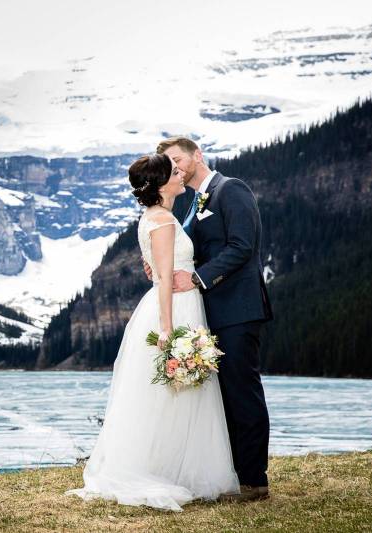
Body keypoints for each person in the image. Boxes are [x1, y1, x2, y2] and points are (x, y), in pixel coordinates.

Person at [64, 153, 239, 512]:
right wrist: (167, 329)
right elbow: (163, 281)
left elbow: (161, 269)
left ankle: (182, 469)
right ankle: (164, 470)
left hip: (185, 304)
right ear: (160, 183)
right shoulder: (161, 220)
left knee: (183, 392)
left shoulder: (162, 217)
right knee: (170, 392)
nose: (181, 174)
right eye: (174, 172)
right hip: (173, 310)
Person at [154, 136, 273, 502]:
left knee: (242, 392)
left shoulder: (230, 189)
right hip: (211, 314)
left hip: (238, 310)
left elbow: (242, 246)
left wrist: (196, 278)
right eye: (167, 162)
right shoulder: (193, 202)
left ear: (197, 155)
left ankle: (255, 481)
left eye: (177, 158)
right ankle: (236, 475)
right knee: (222, 399)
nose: (173, 165)